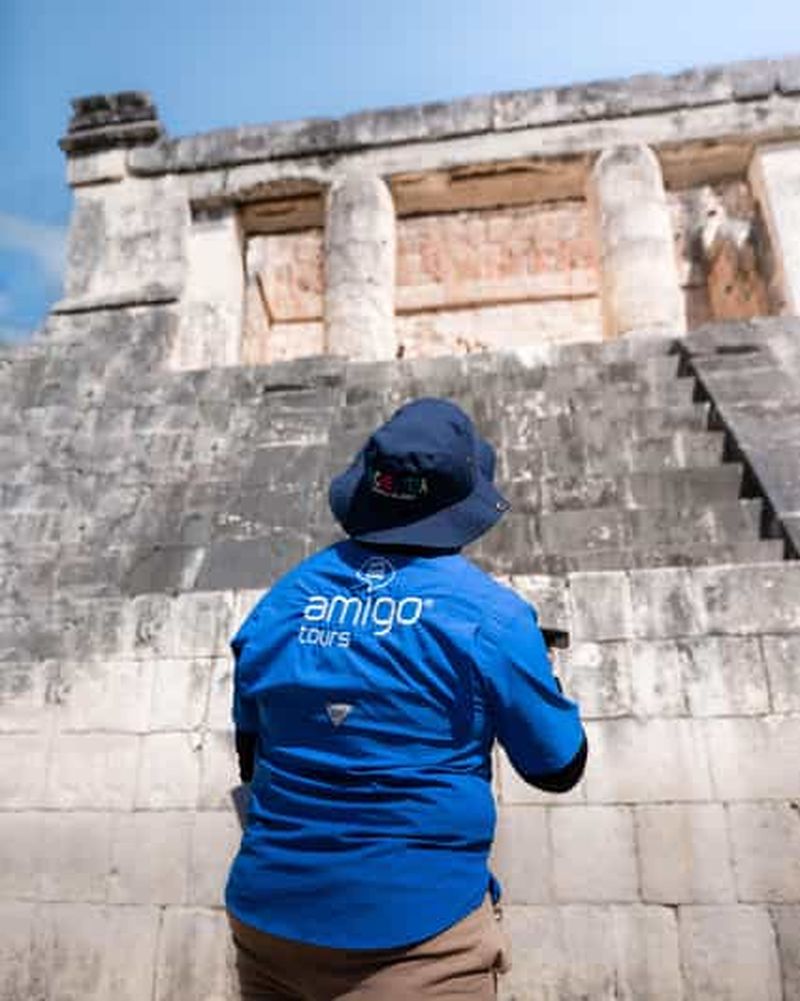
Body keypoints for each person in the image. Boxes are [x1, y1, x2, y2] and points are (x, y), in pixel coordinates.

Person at [225, 397, 587, 1001]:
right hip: (417, 943)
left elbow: (251, 760)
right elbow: (557, 766)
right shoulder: (492, 617)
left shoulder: (280, 602)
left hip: (268, 926)